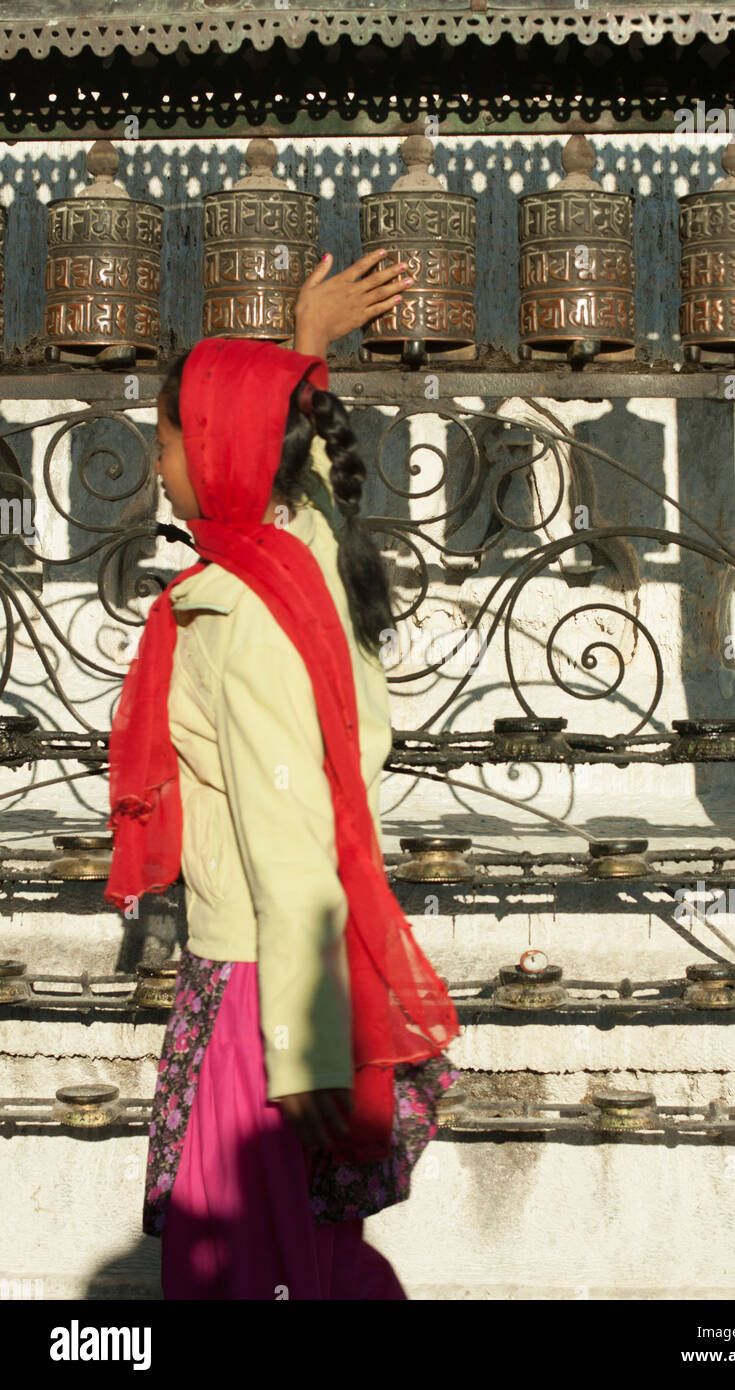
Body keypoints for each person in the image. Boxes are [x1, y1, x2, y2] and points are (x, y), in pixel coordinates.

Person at [103, 250, 461, 1299]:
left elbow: (288, 835)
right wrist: (303, 352)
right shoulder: (298, 556)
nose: (160, 461)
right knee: (308, 1259)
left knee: (243, 1263)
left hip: (264, 991)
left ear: (208, 443)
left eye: (166, 436)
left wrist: (304, 1057)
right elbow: (292, 472)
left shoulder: (243, 619)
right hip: (288, 980)